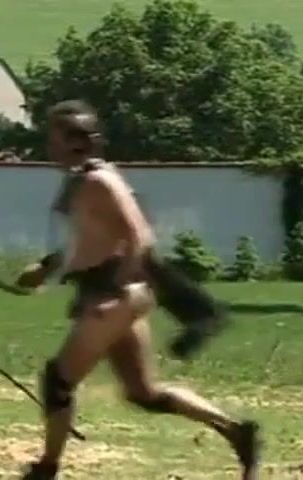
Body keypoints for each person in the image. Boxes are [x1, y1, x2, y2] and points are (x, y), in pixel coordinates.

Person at [15, 100, 261, 480]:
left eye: (55, 138)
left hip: (112, 295)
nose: (50, 146)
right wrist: (47, 268)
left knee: (57, 381)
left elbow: (140, 236)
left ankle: (47, 468)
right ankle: (236, 431)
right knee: (143, 392)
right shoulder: (85, 179)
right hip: (115, 293)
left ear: (76, 141)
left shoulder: (100, 180)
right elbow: (93, 238)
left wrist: (117, 290)